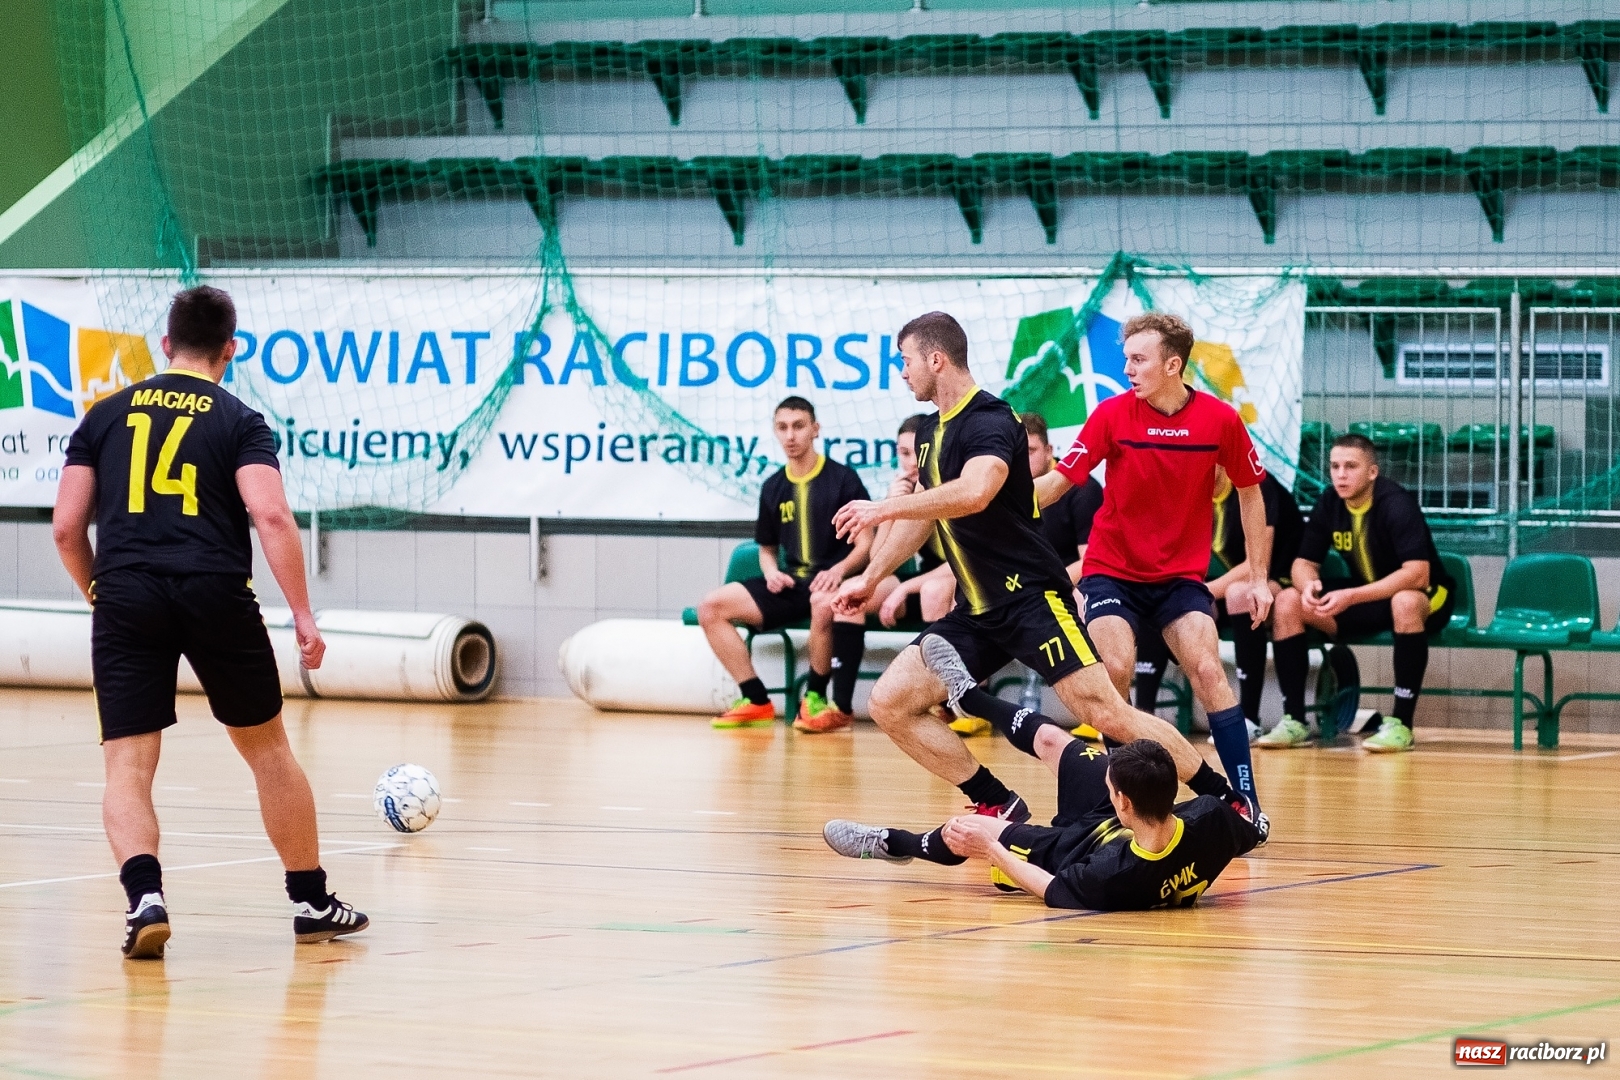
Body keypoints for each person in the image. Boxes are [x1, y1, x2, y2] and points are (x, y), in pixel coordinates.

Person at [830, 312, 1265, 832]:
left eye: (904, 361)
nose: (901, 372)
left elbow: (974, 493)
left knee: (1109, 711)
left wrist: (883, 508)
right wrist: (872, 576)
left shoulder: (991, 420)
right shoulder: (929, 431)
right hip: (978, 608)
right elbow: (930, 511)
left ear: (935, 359)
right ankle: (996, 800)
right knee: (889, 702)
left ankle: (1225, 796)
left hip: (1030, 599)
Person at [52, 285, 367, 960]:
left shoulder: (103, 418)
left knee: (127, 763)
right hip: (216, 591)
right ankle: (311, 900)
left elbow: (66, 526)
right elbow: (272, 515)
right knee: (268, 750)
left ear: (164, 345)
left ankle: (145, 898)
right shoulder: (239, 419)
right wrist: (304, 615)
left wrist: (97, 593)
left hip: (128, 591)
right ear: (231, 350)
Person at [1035, 312, 1272, 814]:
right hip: (1112, 570)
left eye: (1138, 360)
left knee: (1208, 669)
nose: (1127, 369)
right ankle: (1119, 797)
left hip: (1180, 577)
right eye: (1126, 359)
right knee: (1115, 667)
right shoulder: (1110, 415)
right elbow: (1056, 485)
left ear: (1173, 365)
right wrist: (993, 499)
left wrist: (1258, 578)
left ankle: (1245, 801)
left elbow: (1251, 495)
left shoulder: (1220, 420)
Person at [824, 661, 1263, 910]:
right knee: (1055, 740)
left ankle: (895, 844)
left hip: (1070, 845)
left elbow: (1049, 889)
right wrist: (1254, 826)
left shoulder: (1112, 876)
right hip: (1119, 825)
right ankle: (966, 694)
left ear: (1122, 799)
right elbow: (1246, 832)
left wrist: (991, 849)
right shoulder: (1212, 817)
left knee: (968, 829)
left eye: (1111, 782)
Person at [1264, 433, 1455, 752]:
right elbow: (1303, 562)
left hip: (1427, 595)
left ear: (1372, 472)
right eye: (1335, 466)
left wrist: (1351, 597)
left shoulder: (1396, 503)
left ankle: (1401, 725)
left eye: (1350, 466)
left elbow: (1418, 574)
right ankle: (1295, 720)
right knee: (1287, 601)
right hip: (1368, 596)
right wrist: (1307, 584)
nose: (1340, 474)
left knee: (1405, 602)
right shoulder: (1329, 501)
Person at [699, 397, 872, 731]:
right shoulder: (773, 486)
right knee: (711, 607)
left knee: (824, 603)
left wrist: (839, 571)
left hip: (829, 584)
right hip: (791, 585)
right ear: (775, 432)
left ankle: (816, 698)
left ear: (815, 429)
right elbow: (766, 549)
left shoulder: (843, 480)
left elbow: (866, 544)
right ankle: (755, 699)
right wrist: (771, 572)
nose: (790, 435)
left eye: (798, 426)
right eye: (782, 427)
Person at [956, 412, 1104, 739]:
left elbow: (1090, 558)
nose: (1022, 459)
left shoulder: (1080, 489)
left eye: (1031, 451)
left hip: (1072, 579)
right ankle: (972, 703)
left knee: (1089, 606)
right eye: (1016, 451)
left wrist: (1044, 582)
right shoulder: (999, 489)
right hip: (1021, 580)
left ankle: (1096, 712)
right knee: (964, 598)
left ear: (1050, 451)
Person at [1134, 467, 1303, 739]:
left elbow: (1255, 566)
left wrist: (1200, 590)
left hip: (1273, 580)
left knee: (1239, 594)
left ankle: (1248, 717)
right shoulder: (1188, 488)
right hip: (1224, 584)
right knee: (1157, 592)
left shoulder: (1256, 485)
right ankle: (1142, 717)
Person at [874, 414, 957, 631]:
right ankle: (838, 665)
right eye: (905, 453)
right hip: (926, 577)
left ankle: (933, 665)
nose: (912, 462)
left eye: (919, 452)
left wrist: (906, 588)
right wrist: (890, 506)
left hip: (967, 577)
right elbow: (879, 561)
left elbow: (969, 561)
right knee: (858, 592)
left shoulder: (960, 487)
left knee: (934, 590)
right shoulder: (906, 489)